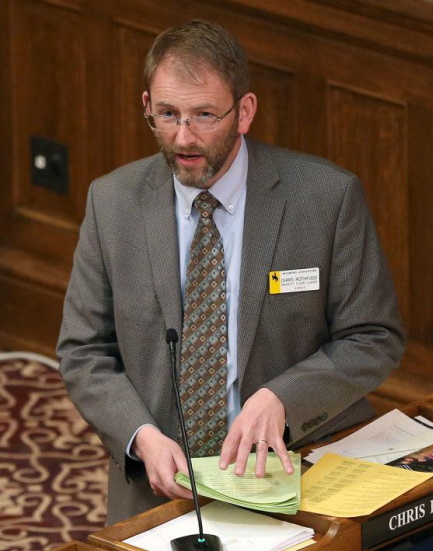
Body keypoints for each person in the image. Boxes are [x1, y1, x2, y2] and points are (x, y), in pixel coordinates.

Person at [57, 19, 404, 524]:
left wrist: (283, 397)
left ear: (244, 111)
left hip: (295, 476)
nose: (183, 137)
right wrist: (141, 436)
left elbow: (374, 337)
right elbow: (83, 350)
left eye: (203, 115)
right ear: (146, 106)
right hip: (160, 493)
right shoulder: (113, 203)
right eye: (167, 115)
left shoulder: (325, 199)